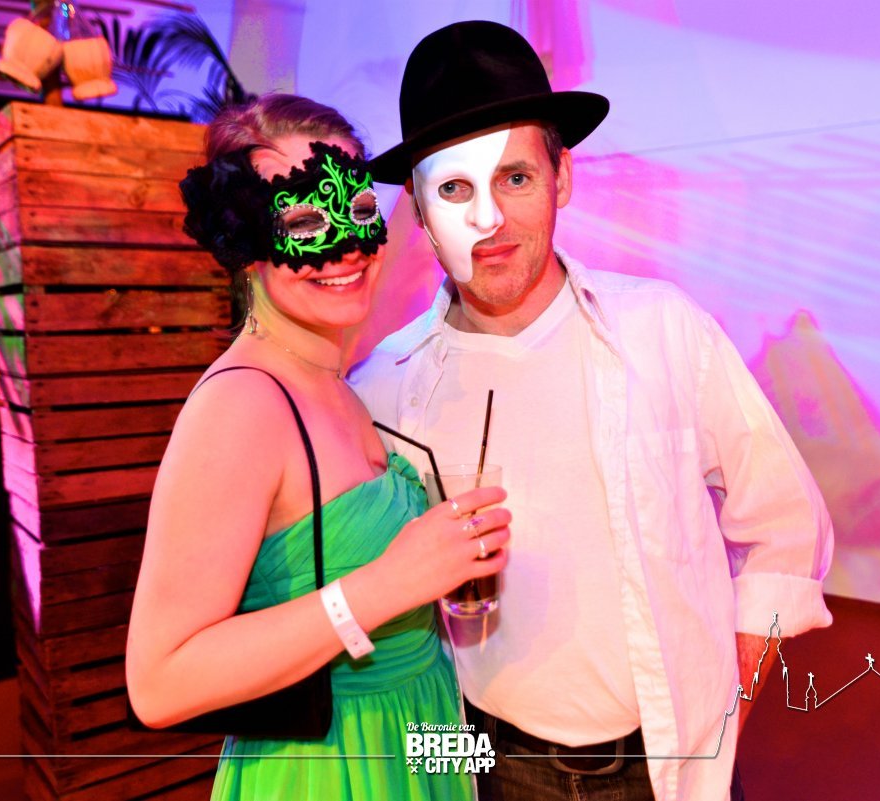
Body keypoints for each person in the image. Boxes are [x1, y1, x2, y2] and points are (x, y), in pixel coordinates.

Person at [349, 21, 835, 801]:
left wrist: (725, 713)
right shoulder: (383, 388)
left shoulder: (663, 331)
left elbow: (785, 525)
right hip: (491, 768)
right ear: (420, 207)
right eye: (455, 190)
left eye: (515, 177)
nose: (488, 221)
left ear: (562, 176)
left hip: (670, 769)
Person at [125, 93, 512, 801]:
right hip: (328, 767)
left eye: (359, 210)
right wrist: (390, 583)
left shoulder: (337, 379)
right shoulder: (240, 407)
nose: (347, 247)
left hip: (414, 738)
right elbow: (159, 682)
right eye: (304, 222)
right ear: (241, 241)